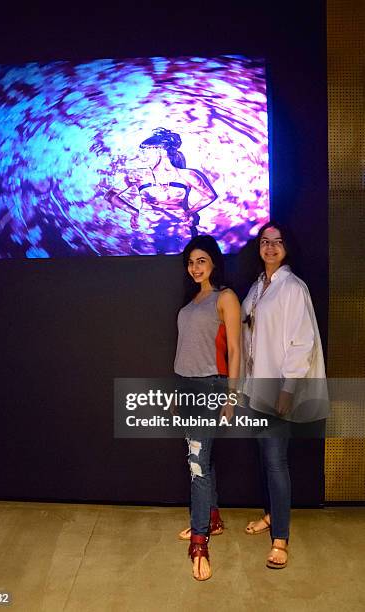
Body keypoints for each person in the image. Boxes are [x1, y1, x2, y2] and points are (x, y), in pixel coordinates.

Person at [241, 221, 326, 569]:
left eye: (277, 242)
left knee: (276, 459)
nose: (270, 247)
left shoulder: (292, 287)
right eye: (265, 241)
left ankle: (281, 537)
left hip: (278, 387)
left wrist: (289, 387)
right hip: (256, 386)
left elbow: (301, 341)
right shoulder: (258, 286)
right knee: (264, 456)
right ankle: (270, 515)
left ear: (287, 247)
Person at [174, 235, 241, 581]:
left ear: (214, 261)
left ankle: (200, 542)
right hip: (186, 388)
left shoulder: (224, 297)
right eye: (190, 262)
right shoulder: (191, 302)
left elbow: (235, 349)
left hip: (210, 388)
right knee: (203, 459)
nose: (195, 267)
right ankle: (212, 518)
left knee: (197, 466)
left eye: (201, 260)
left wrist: (231, 394)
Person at [104, 128, 217, 253]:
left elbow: (209, 196)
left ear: (162, 151)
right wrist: (134, 212)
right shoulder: (138, 175)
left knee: (177, 267)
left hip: (179, 230)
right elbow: (110, 196)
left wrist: (190, 212)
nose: (141, 156)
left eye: (145, 151)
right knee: (146, 269)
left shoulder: (187, 175)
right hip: (146, 230)